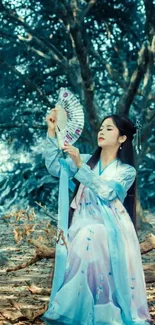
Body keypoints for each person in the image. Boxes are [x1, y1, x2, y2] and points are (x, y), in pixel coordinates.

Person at [42, 109, 151, 325]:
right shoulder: (84, 159)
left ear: (122, 138)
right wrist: (52, 131)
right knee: (86, 234)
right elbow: (55, 167)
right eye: (101, 128)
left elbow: (108, 192)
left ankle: (103, 314)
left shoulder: (126, 171)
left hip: (111, 229)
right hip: (82, 225)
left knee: (92, 233)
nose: (102, 131)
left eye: (109, 128)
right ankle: (80, 313)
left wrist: (81, 167)